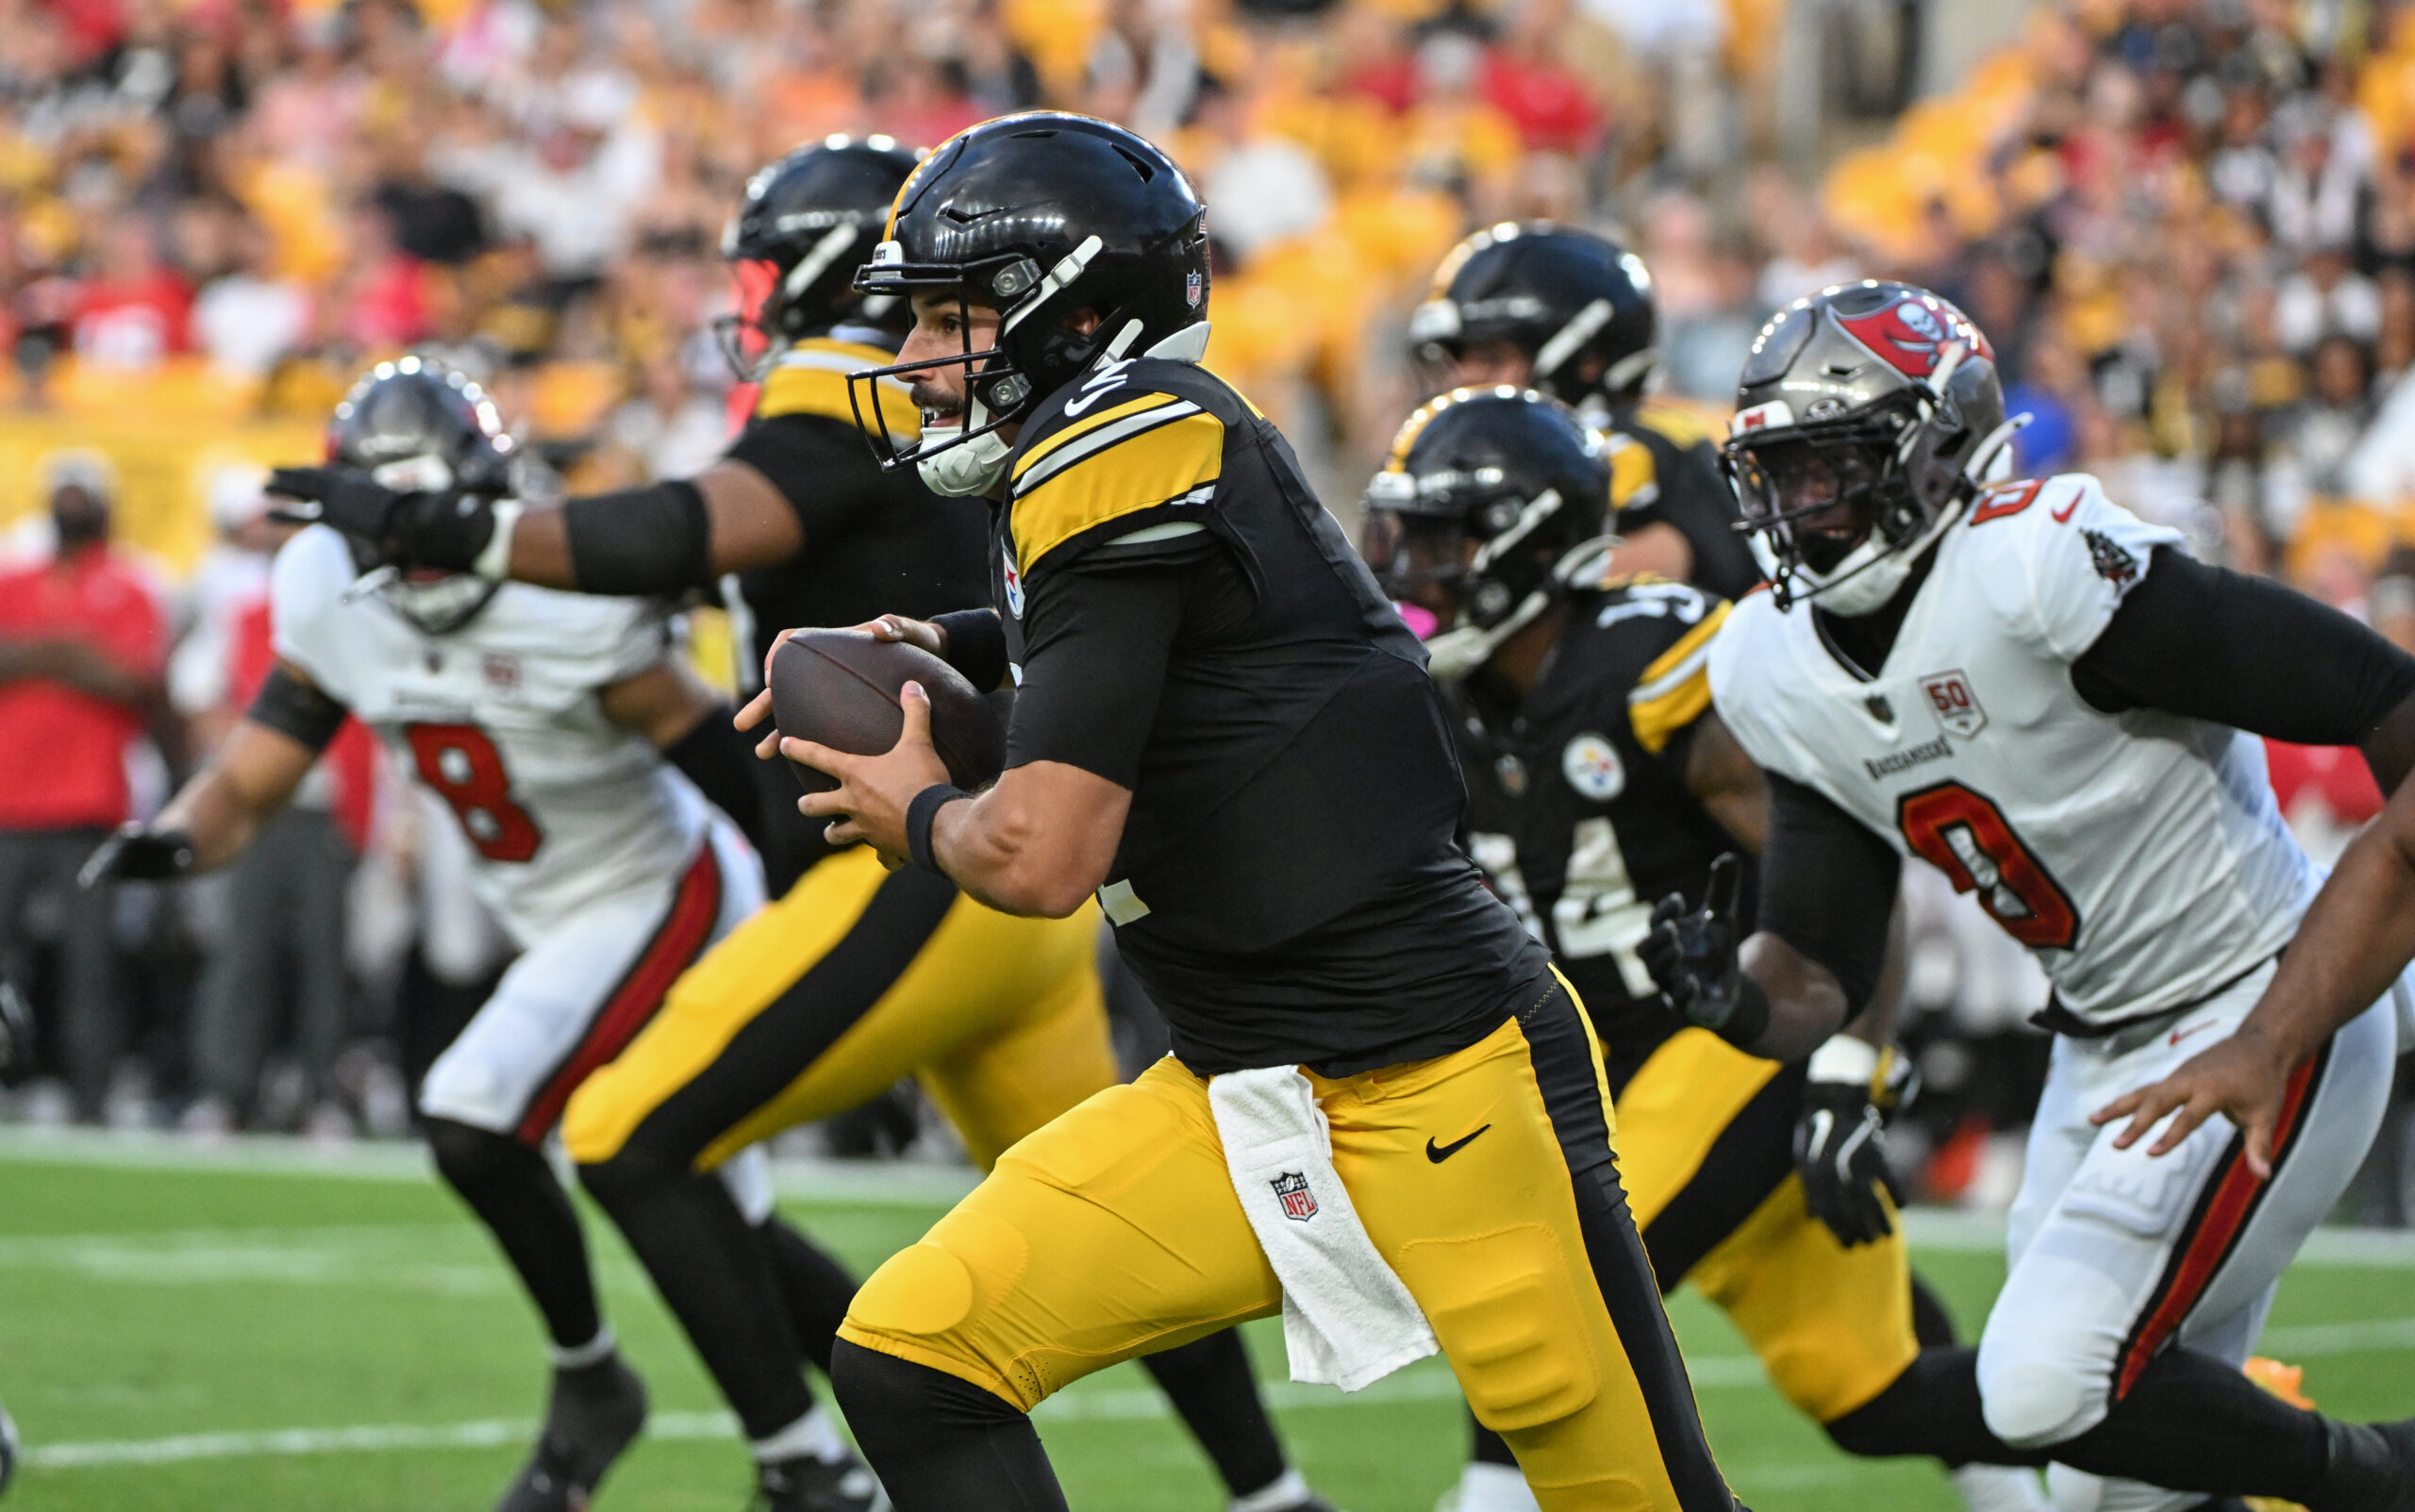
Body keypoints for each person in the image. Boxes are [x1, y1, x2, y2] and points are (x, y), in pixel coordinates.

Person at [263, 138, 1335, 1512]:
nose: (751, 301)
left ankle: (802, 1465)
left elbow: (685, 529)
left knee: (628, 1129)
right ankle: (1271, 1494)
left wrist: (448, 526)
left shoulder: (840, 396)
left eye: (768, 270)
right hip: (989, 894)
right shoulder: (962, 406)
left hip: (917, 873)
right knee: (1100, 1203)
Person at [776, 109, 1740, 1512]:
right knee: (916, 1352)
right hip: (1241, 1087)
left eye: (946, 313)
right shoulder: (1091, 459)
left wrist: (919, 807)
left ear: (1079, 309)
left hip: (1444, 1081)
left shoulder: (1129, 438)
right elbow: (1230, 646)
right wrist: (977, 636)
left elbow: (1044, 854)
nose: (917, 358)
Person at [1642, 279, 2415, 1512]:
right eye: (1780, 474)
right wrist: (1732, 1001)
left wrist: (2279, 1028)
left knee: (2045, 1382)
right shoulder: (1771, 663)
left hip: (2261, 998)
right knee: (2103, 1486)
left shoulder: (2038, 567)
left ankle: (2382, 1472)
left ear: (1939, 448)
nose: (1800, 506)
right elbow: (1821, 951)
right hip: (2098, 1049)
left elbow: (2388, 703)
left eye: (1829, 464)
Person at [82, 360, 774, 1512]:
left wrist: (836, 903)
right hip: (545, 916)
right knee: (727, 1224)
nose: (413, 561)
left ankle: (694, 1422)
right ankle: (799, 1458)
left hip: (663, 889)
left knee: (479, 1113)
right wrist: (174, 837)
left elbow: (720, 765)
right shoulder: (324, 592)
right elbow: (255, 774)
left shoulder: (566, 589)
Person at [1366, 387, 2051, 1512]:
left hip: (1739, 1038)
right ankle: (2190, 1462)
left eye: (1447, 541)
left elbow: (1844, 875)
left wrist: (1847, 1068)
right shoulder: (1442, 697)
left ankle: (1492, 1499)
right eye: (1411, 537)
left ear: (1532, 542)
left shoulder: (1648, 668)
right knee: (1872, 1392)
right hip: (1608, 1075)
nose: (1415, 571)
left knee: (1565, 1272)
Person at [1407, 223, 1761, 605]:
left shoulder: (1639, 450)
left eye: (1493, 357)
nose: (1465, 380)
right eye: (1458, 360)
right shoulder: (1455, 455)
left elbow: (1631, 582)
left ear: (1586, 360)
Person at [0, 453, 165, 1122]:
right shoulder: (16, 579)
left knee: (89, 965)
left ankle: (89, 1096)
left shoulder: (127, 586)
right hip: (9, 800)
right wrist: (72, 651)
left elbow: (132, 677)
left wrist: (34, 653)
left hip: (88, 804)